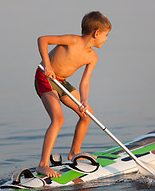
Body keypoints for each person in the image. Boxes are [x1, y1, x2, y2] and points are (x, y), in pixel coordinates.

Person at [34, 11, 111, 177]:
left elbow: (85, 83)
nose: (106, 39)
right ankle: (43, 165)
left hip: (61, 82)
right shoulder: (72, 40)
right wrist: (47, 65)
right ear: (96, 33)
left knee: (87, 114)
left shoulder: (93, 57)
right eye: (106, 35)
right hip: (45, 78)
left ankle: (74, 152)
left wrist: (84, 101)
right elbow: (43, 39)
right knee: (58, 119)